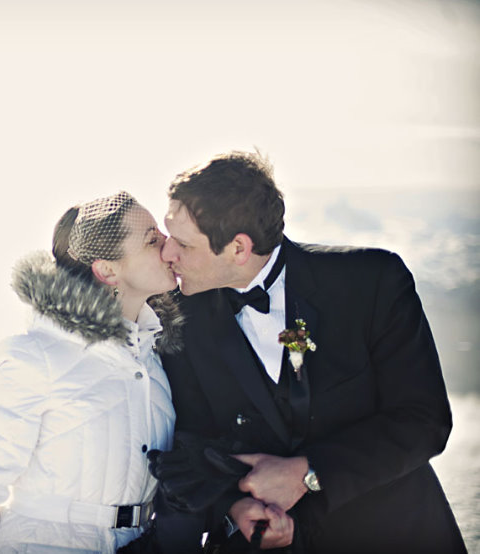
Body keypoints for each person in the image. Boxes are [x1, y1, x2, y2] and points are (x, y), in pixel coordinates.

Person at [149, 151, 466, 552]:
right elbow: (193, 442)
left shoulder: (371, 283)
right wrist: (234, 506)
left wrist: (308, 473)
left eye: (183, 244)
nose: (167, 254)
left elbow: (424, 421)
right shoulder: (180, 320)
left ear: (238, 249)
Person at [0, 191, 183, 553]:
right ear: (107, 270)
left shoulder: (152, 359)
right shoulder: (35, 356)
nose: (167, 245)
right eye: (151, 239)